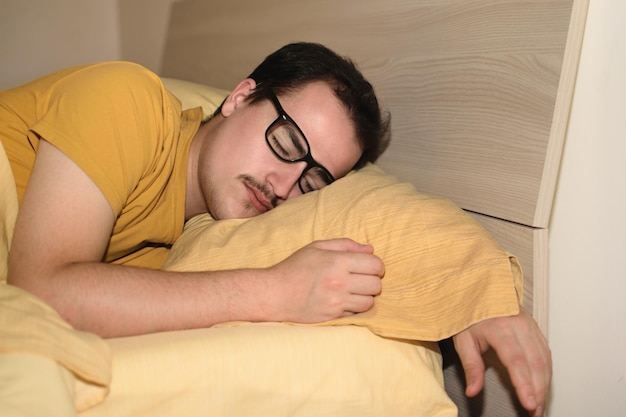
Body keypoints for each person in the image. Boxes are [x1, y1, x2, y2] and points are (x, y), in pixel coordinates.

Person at [0, 42, 550, 416]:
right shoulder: (125, 98)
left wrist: (466, 284)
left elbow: (386, 213)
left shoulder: (192, 240)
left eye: (313, 180)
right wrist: (278, 291)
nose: (286, 186)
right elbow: (44, 292)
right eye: (286, 143)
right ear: (239, 97)